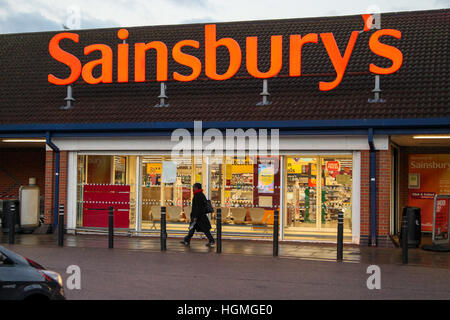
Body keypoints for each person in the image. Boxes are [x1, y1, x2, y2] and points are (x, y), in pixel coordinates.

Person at [180, 183, 215, 247]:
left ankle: (211, 240)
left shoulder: (197, 195)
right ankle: (187, 240)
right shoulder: (201, 194)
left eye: (194, 187)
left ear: (196, 188)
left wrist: (195, 217)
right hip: (200, 216)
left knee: (203, 229)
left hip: (198, 216)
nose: (193, 188)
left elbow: (197, 207)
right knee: (194, 228)